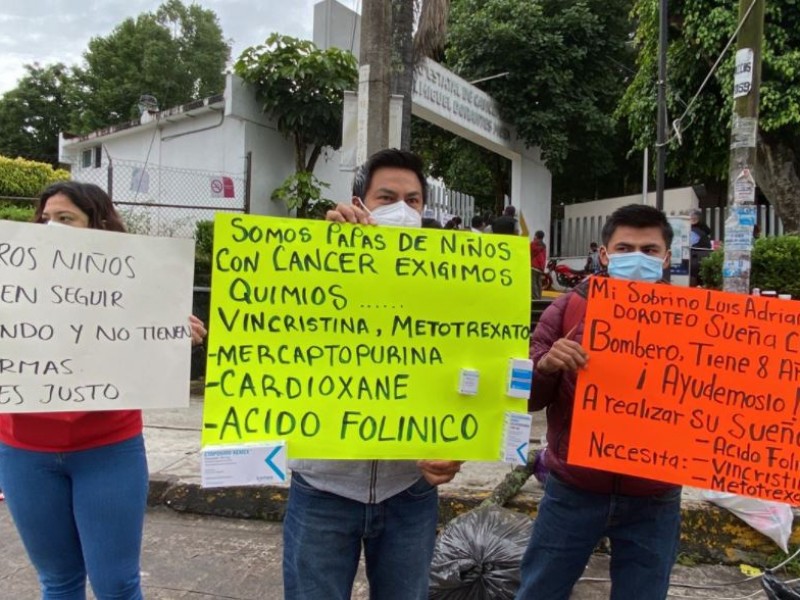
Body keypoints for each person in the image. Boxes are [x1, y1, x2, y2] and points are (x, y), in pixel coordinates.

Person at [0, 181, 207, 600]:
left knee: (116, 584)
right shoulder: (11, 285)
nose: (51, 227)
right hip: (24, 452)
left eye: (65, 219)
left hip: (108, 449)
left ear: (97, 225)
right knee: (58, 580)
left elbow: (156, 341)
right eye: (44, 219)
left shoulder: (136, 286)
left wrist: (176, 334)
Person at [287, 149, 462, 600]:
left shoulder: (453, 285)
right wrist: (324, 257)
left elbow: (471, 370)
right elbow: (283, 337)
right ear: (358, 203)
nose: (402, 210)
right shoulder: (316, 263)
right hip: (322, 485)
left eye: (414, 200)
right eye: (387, 197)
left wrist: (458, 447)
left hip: (410, 490)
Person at [516, 204, 681, 600]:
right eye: (625, 249)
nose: (636, 258)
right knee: (539, 590)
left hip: (654, 496)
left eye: (649, 250)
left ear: (666, 258)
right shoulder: (567, 308)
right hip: (574, 488)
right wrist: (547, 366)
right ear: (605, 255)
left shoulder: (695, 324)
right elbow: (527, 399)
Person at [689, 209, 712, 287]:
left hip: (693, 262)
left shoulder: (692, 232)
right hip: (704, 261)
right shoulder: (704, 231)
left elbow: (688, 244)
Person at [530, 230, 547, 299]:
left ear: (536, 236)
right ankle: (539, 297)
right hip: (541, 266)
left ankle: (535, 298)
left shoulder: (533, 244)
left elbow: (530, 251)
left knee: (533, 283)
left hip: (534, 266)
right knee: (539, 283)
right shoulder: (543, 245)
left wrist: (533, 240)